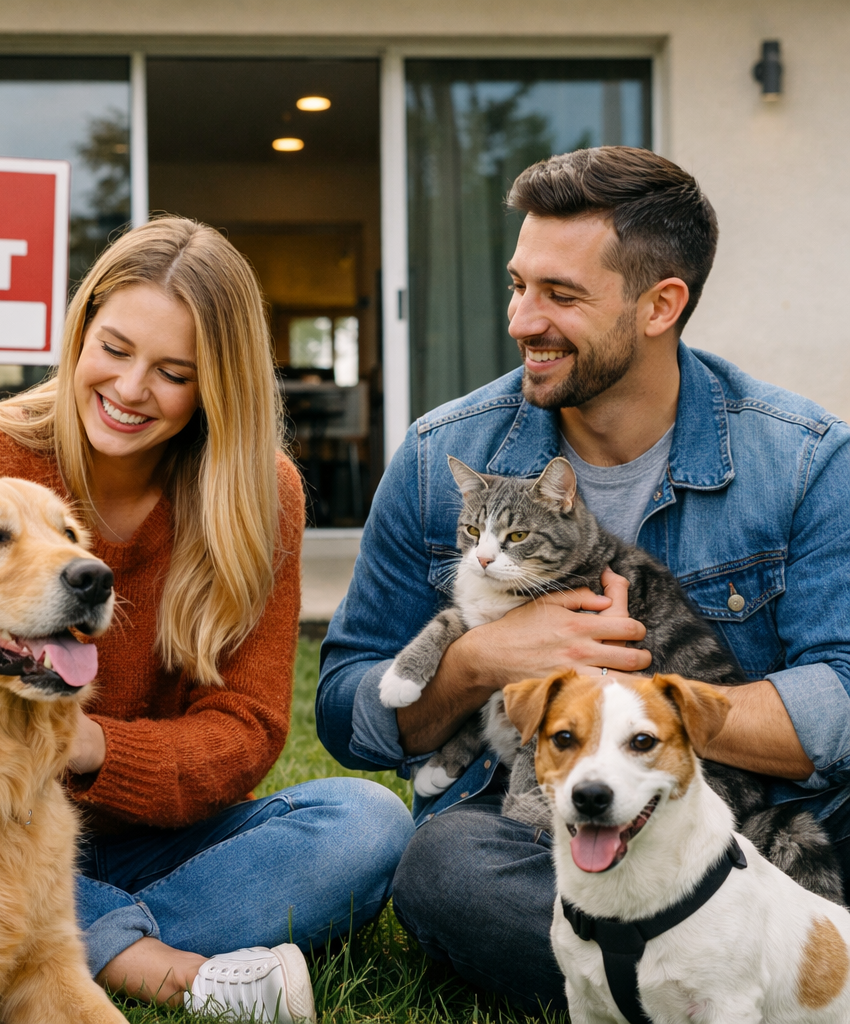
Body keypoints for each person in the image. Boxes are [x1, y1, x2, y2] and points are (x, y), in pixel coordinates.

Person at [0, 216, 414, 1018]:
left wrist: (91, 744)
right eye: (114, 349)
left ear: (218, 383)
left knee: (364, 821)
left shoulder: (259, 495)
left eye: (175, 371)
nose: (132, 389)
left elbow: (245, 729)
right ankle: (155, 967)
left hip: (134, 840)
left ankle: (27, 943)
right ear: (79, 336)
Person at [316, 146, 850, 1013]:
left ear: (659, 305)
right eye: (519, 285)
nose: (524, 319)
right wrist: (484, 659)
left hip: (758, 821)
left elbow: (844, 690)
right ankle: (735, 971)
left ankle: (677, 964)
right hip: (549, 828)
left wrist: (632, 695)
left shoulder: (802, 460)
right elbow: (347, 711)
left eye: (561, 296)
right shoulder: (435, 458)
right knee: (447, 866)